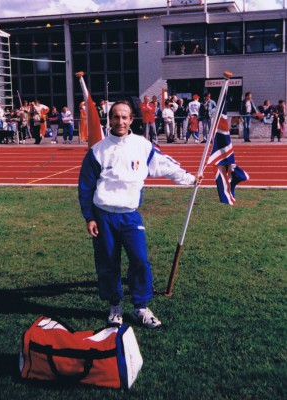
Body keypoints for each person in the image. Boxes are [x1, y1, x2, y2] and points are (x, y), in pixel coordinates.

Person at [78, 100, 203, 329]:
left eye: (124, 117)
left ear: (131, 120)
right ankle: (115, 306)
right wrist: (90, 217)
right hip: (103, 215)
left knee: (140, 261)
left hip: (130, 215)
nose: (120, 121)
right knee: (108, 263)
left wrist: (189, 178)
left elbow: (165, 165)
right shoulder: (98, 150)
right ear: (110, 119)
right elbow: (86, 187)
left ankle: (140, 307)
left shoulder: (142, 145)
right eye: (116, 117)